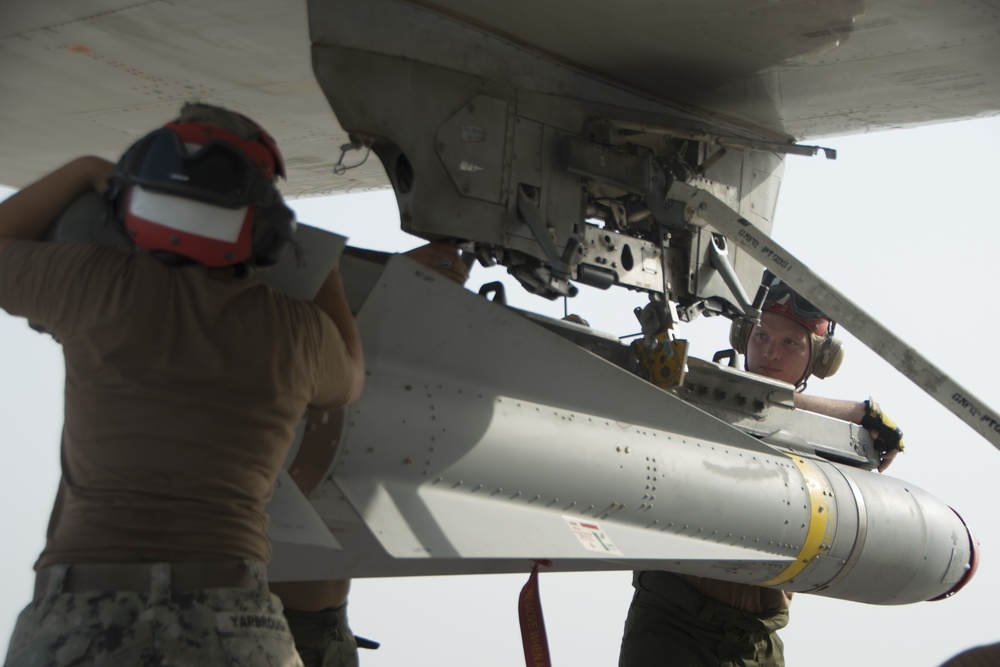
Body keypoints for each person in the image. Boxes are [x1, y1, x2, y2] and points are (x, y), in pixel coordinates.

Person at [0, 103, 365, 665]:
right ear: (263, 225)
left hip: (83, 613)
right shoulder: (295, 333)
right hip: (234, 620)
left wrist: (85, 169)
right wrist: (324, 269)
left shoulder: (92, 283)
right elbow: (350, 378)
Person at [619, 275, 905, 667]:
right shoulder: (693, 398)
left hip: (757, 639)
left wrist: (862, 420)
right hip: (671, 628)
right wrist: (858, 412)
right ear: (742, 336)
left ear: (819, 358)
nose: (770, 353)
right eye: (760, 336)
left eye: (790, 343)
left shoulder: (829, 438)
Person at [269, 242, 469, 667]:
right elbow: (318, 282)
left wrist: (396, 279)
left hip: (314, 632)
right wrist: (393, 279)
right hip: (294, 634)